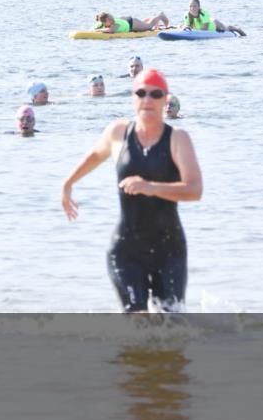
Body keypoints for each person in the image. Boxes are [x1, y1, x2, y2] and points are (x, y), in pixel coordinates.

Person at [60, 69, 202, 313]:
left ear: (165, 99)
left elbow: (194, 190)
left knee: (172, 322)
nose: (148, 100)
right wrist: (67, 184)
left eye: (156, 94)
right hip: (127, 250)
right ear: (133, 97)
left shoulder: (178, 139)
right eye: (141, 93)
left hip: (169, 250)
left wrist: (150, 187)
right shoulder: (118, 132)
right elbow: (95, 155)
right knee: (136, 319)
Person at [95, 11, 169, 33]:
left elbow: (111, 30)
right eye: (109, 20)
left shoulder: (115, 24)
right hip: (126, 21)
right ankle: (152, 17)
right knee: (144, 24)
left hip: (132, 23)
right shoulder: (102, 22)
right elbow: (95, 27)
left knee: (149, 26)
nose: (112, 20)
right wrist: (95, 29)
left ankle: (160, 16)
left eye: (111, 18)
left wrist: (98, 30)